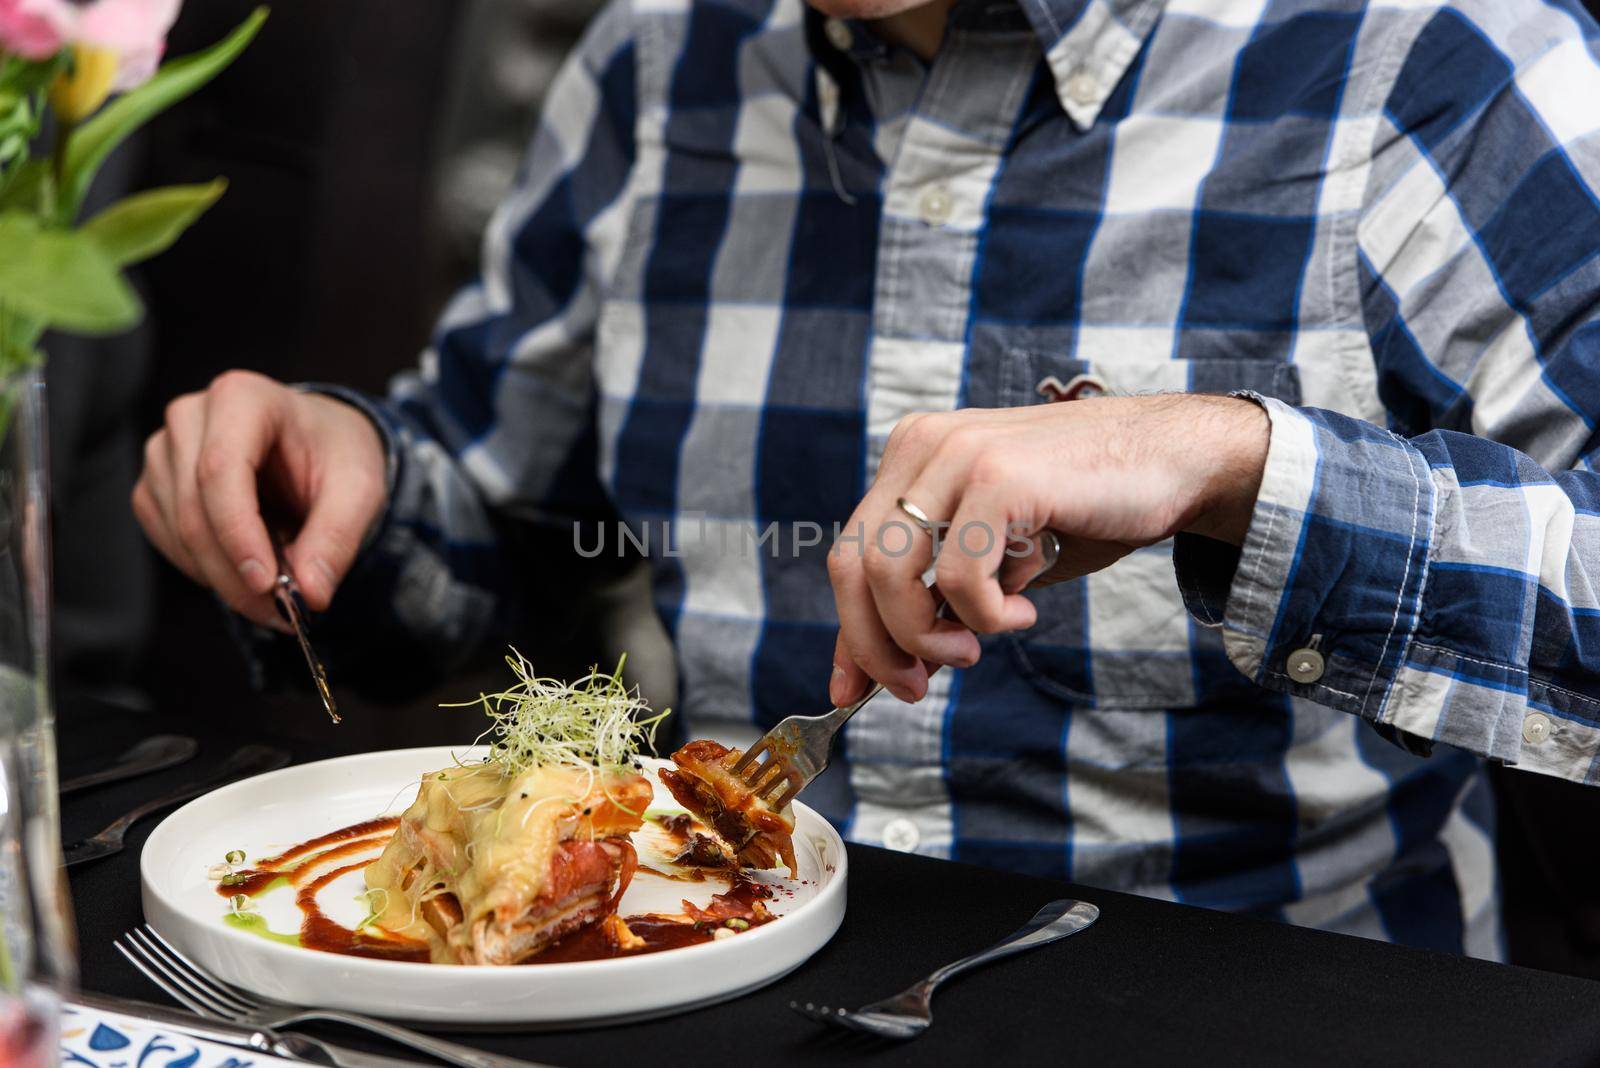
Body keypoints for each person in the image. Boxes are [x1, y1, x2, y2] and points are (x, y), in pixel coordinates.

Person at [132, 0, 1600, 958]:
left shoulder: (1433, 59)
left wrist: (1232, 463)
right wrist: (341, 481)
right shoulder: (657, 64)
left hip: (1263, 1002)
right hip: (696, 982)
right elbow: (486, 538)